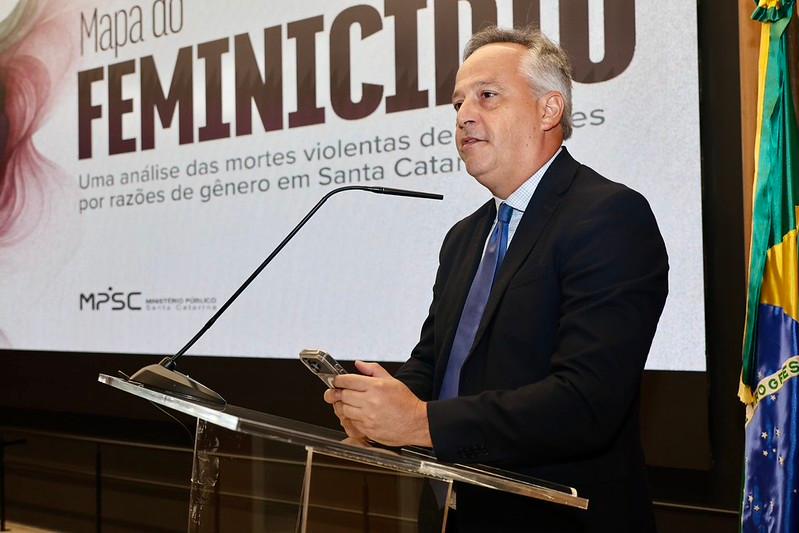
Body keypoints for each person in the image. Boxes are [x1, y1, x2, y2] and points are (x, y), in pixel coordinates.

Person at [324, 26, 668, 533]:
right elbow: (438, 364)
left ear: (549, 110)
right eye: (458, 103)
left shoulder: (609, 216)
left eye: (487, 96)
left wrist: (419, 422)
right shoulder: (464, 237)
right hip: (450, 512)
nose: (464, 115)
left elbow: (586, 401)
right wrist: (379, 405)